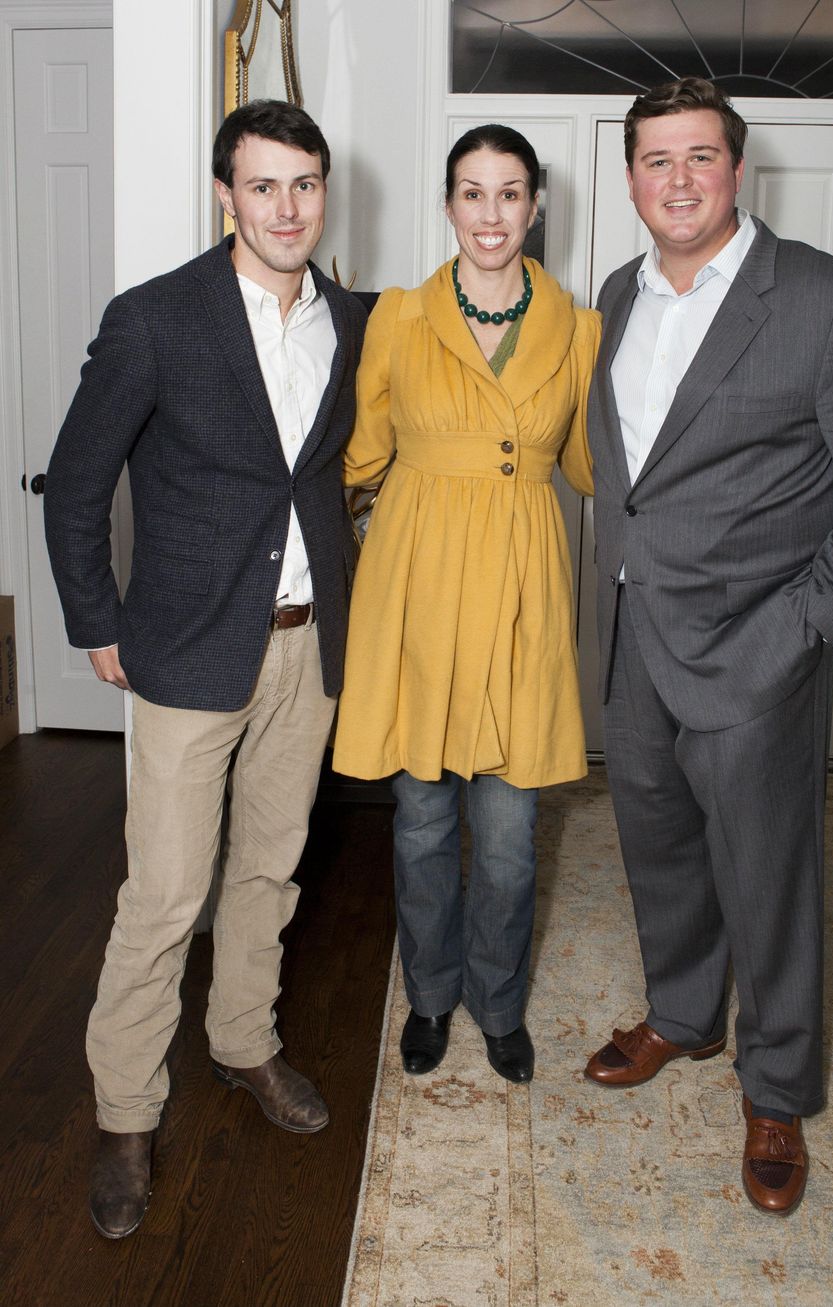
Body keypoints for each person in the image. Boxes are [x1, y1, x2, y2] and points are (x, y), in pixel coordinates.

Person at [584, 78, 833, 1214]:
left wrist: (807, 626)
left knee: (768, 877)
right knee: (659, 847)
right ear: (629, 175)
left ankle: (775, 1085)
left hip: (758, 648)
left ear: (736, 170)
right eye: (652, 160)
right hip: (637, 639)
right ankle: (681, 1014)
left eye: (697, 158)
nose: (674, 180)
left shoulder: (825, 301)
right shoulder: (615, 295)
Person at [44, 99, 366, 1239]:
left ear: (325, 192)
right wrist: (95, 621)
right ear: (225, 193)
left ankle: (243, 1041)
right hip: (183, 649)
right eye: (264, 184)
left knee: (270, 869)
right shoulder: (155, 318)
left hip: (308, 645)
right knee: (164, 895)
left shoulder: (356, 321)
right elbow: (79, 482)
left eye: (306, 184)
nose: (288, 207)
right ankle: (127, 1111)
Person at [332, 125, 599, 1085]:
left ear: (535, 206)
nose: (492, 214)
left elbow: (592, 465)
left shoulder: (579, 326)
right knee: (422, 819)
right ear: (448, 205)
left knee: (514, 834)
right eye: (473, 194)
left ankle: (498, 1001)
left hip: (524, 586)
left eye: (511, 193)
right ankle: (432, 998)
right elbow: (359, 458)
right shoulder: (399, 319)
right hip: (419, 584)